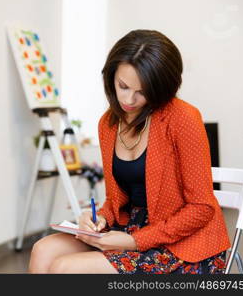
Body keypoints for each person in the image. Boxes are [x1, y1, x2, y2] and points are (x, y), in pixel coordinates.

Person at [28, 29, 230, 274]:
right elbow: (117, 199)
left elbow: (202, 208)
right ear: (111, 76)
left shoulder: (183, 118)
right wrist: (97, 218)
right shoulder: (108, 123)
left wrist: (136, 241)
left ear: (160, 89)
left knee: (65, 268)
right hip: (130, 226)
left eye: (142, 92)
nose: (129, 99)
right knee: (42, 250)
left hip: (183, 243)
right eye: (123, 86)